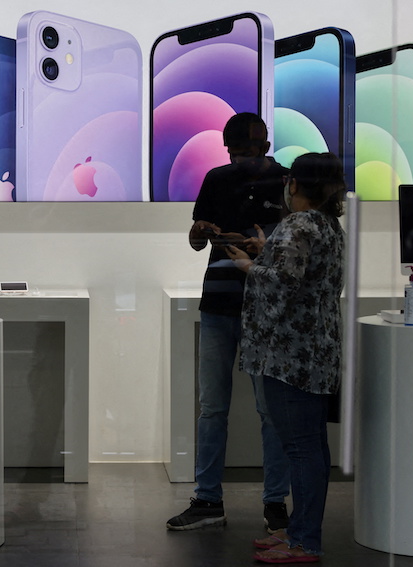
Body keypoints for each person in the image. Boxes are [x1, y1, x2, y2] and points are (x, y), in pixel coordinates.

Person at [166, 113, 291, 532]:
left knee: (248, 408)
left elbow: (294, 242)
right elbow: (197, 238)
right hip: (229, 302)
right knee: (220, 407)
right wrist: (201, 230)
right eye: (239, 150)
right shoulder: (219, 180)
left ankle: (264, 502)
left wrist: (254, 245)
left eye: (245, 149)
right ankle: (219, 501)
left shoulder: (286, 183)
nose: (242, 158)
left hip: (261, 303)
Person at [226, 152, 346, 563]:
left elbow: (282, 284)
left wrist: (248, 265)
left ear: (294, 184)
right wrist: (267, 252)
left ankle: (304, 541)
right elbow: (302, 275)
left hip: (289, 356)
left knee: (301, 448)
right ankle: (298, 532)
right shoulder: (328, 225)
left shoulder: (298, 224)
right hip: (318, 351)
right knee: (311, 446)